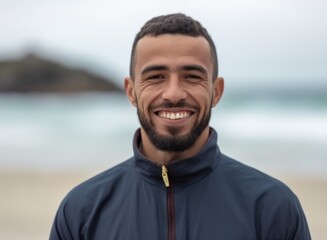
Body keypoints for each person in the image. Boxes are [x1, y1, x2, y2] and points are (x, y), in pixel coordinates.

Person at [50, 13, 311, 240]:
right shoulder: (81, 210)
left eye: (191, 76)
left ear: (215, 91)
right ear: (131, 92)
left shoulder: (272, 207)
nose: (173, 94)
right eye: (156, 77)